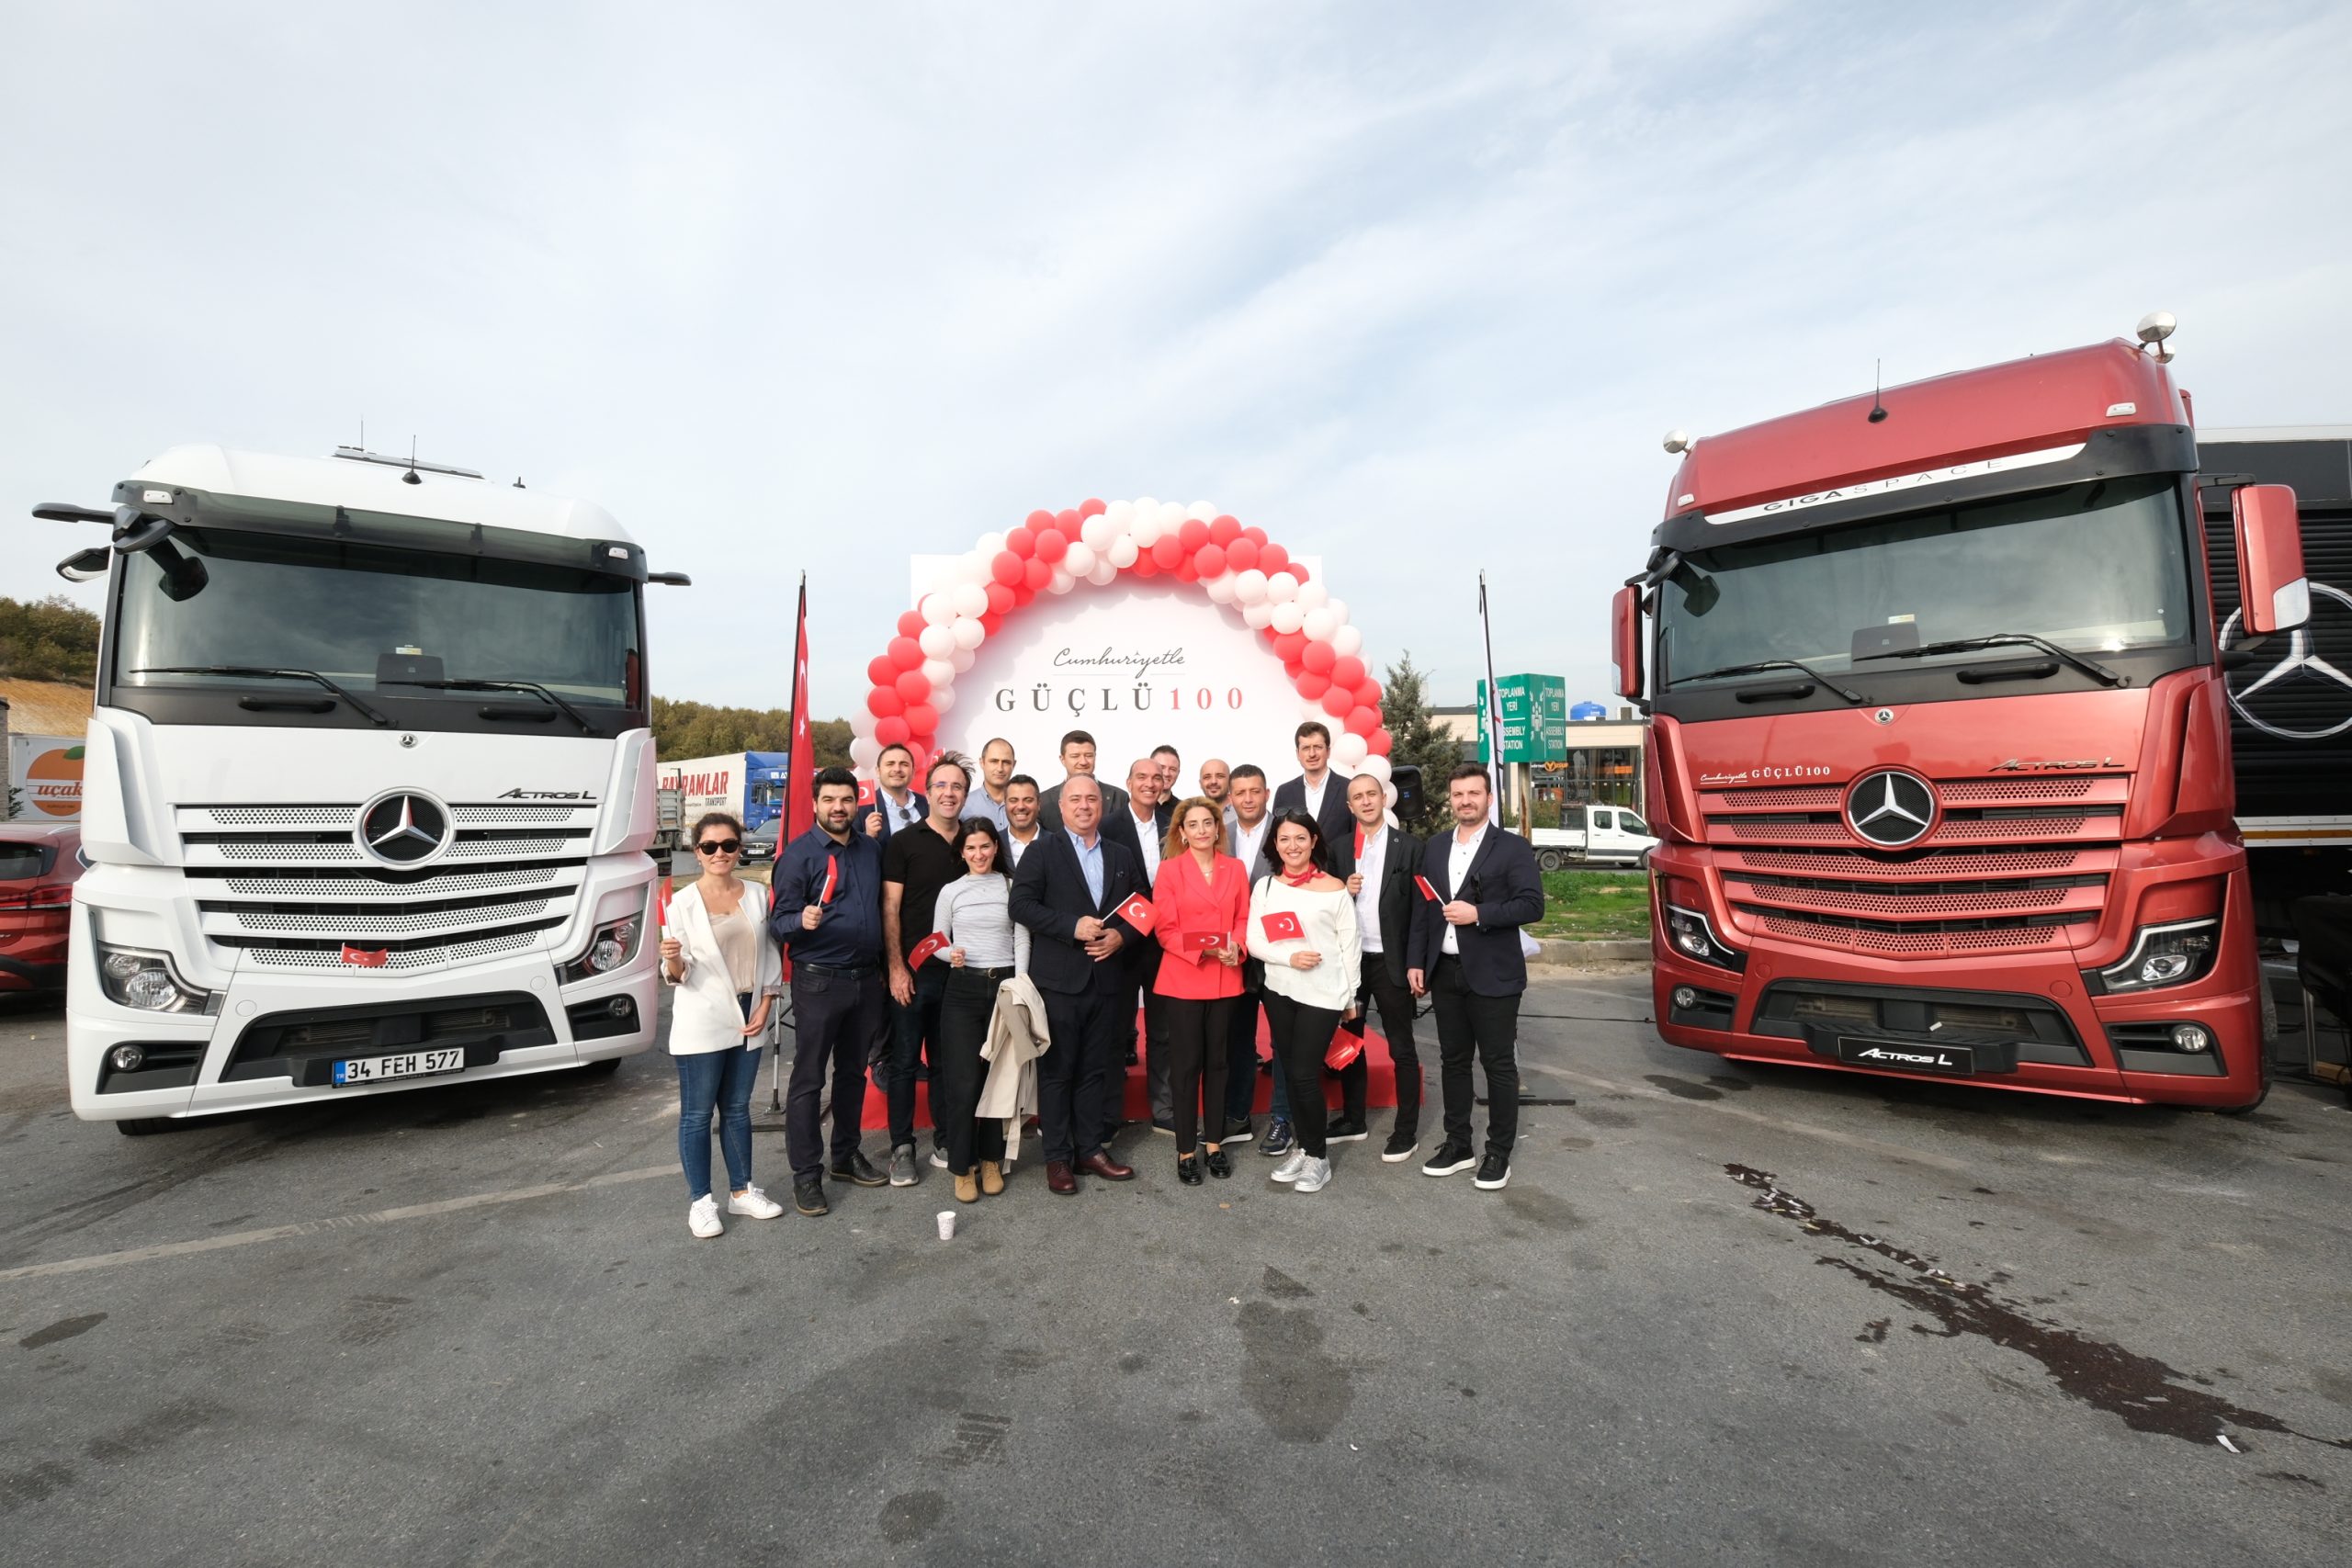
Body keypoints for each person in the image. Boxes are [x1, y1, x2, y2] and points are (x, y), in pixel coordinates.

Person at [1408, 763, 1545, 1191]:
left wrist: (1479, 914)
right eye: (1458, 794)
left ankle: (1498, 1153)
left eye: (1474, 793)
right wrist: (1417, 960)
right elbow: (1423, 910)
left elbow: (1531, 906)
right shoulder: (1433, 847)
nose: (1465, 801)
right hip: (1445, 971)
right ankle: (1458, 1143)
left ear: (1488, 798)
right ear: (1450, 799)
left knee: (1498, 1065)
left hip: (1494, 974)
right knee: (1452, 1061)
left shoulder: (1512, 847)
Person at [1010, 773, 1148, 1194]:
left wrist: (1122, 936)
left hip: (1107, 981)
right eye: (1076, 799)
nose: (1085, 805)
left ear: (1101, 806)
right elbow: (1020, 905)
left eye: (1092, 798)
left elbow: (1143, 903)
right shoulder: (1041, 850)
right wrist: (1072, 926)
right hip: (1058, 984)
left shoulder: (1122, 853)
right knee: (1057, 1073)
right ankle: (1058, 1158)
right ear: (1062, 806)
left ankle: (1089, 1150)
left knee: (1095, 1071)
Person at [770, 766, 890, 1215]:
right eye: (830, 800)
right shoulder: (799, 857)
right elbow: (777, 923)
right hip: (819, 981)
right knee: (808, 1080)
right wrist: (798, 921)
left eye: (846, 800)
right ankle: (806, 1174)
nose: (839, 808)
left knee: (853, 1073)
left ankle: (844, 1154)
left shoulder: (869, 850)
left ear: (855, 802)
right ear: (815, 804)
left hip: (865, 979)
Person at [658, 812, 785, 1236]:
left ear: (739, 849)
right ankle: (700, 1202)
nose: (720, 854)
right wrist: (672, 956)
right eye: (710, 847)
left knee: (736, 1108)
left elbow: (770, 953)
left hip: (750, 1011)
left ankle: (742, 1192)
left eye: (728, 845)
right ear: (697, 852)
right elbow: (679, 975)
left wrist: (767, 1003)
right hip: (704, 1016)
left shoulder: (757, 894)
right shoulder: (682, 903)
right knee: (697, 1115)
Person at [1247, 809, 1361, 1195]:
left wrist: (1351, 997)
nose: (1291, 846)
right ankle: (1304, 1146)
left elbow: (1350, 946)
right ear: (1274, 845)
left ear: (1313, 840)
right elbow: (1255, 942)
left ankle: (1318, 1157)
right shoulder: (1265, 887)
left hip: (1324, 994)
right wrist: (1289, 958)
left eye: (1300, 837)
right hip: (1280, 991)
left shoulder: (1335, 888)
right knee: (1290, 1072)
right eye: (1284, 839)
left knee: (1304, 1075)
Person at [928, 818, 1028, 1203]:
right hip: (963, 990)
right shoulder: (951, 891)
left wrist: (1021, 983)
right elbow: (937, 939)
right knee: (964, 1081)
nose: (978, 854)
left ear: (995, 848)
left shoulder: (1011, 887)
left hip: (1003, 988)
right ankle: (962, 1167)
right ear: (962, 852)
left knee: (996, 1081)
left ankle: (991, 1160)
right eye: (970, 848)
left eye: (985, 846)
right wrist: (946, 952)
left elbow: (1022, 937)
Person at [1151, 797, 1250, 1186]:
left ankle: (1214, 1143)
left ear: (1217, 827)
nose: (1202, 830)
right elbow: (1165, 929)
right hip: (1184, 977)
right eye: (1193, 825)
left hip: (1226, 976)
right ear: (1182, 832)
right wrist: (1203, 950)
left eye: (1208, 823)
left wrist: (1237, 947)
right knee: (1187, 1065)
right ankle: (1186, 1149)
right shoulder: (1170, 870)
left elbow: (1243, 917)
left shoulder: (1236, 868)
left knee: (1220, 1064)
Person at [1331, 771, 1428, 1161]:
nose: (1367, 801)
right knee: (1349, 1044)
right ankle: (1353, 1119)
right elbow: (1325, 905)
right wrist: (1343, 888)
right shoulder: (1339, 848)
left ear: (1384, 798)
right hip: (1352, 963)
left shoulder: (1409, 847)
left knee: (1401, 1047)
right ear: (1350, 806)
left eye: (1372, 794)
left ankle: (1406, 1131)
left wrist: (1416, 963)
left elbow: (1422, 910)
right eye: (1358, 796)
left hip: (1393, 963)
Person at [882, 755, 969, 1186]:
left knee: (947, 1062)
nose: (949, 793)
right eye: (941, 786)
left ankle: (947, 1138)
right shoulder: (904, 842)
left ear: (964, 795)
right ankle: (902, 1147)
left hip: (958, 975)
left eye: (957, 787)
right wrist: (897, 968)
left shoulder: (973, 843)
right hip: (913, 975)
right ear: (928, 791)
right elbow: (891, 908)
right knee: (902, 1062)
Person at [1102, 757, 1173, 1132]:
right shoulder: (1108, 826)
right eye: (1142, 777)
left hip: (1165, 945)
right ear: (1128, 782)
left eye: (1156, 778)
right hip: (1123, 943)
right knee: (1115, 1030)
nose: (1150, 783)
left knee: (1163, 1030)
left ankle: (1165, 1110)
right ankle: (1109, 1114)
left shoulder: (1174, 825)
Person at [1221, 763, 1283, 1151]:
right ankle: (1237, 1116)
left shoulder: (1287, 832)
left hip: (1279, 953)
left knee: (1285, 1042)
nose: (1247, 798)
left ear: (1266, 793)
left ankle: (1283, 1118)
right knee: (1237, 1041)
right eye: (1240, 792)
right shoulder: (1219, 835)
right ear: (1230, 797)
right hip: (1235, 955)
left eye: (1254, 791)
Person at [1272, 721, 1355, 847]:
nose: (1312, 754)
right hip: (1297, 866)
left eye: (1317, 747)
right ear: (1297, 754)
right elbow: (1277, 837)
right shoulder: (1284, 792)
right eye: (1306, 748)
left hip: (1338, 866)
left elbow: (1357, 836)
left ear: (1328, 751)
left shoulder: (1349, 788)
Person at [1035, 729, 1130, 833]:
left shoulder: (1120, 797)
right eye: (1075, 756)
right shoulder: (1044, 801)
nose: (1083, 762)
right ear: (1062, 759)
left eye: (1089, 755)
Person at [864, 742, 927, 841]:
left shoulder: (925, 803)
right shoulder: (863, 809)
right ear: (878, 771)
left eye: (904, 764)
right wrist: (868, 837)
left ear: (913, 772)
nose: (897, 769)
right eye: (890, 764)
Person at [963, 738, 1017, 829]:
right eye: (994, 761)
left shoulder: (1025, 805)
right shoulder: (964, 804)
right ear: (982, 762)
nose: (1000, 768)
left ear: (1014, 765)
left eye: (1006, 762)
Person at [1002, 774, 1046, 868]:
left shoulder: (1057, 845)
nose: (1021, 806)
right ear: (1005, 804)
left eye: (1028, 800)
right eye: (1013, 800)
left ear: (1039, 804)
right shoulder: (993, 842)